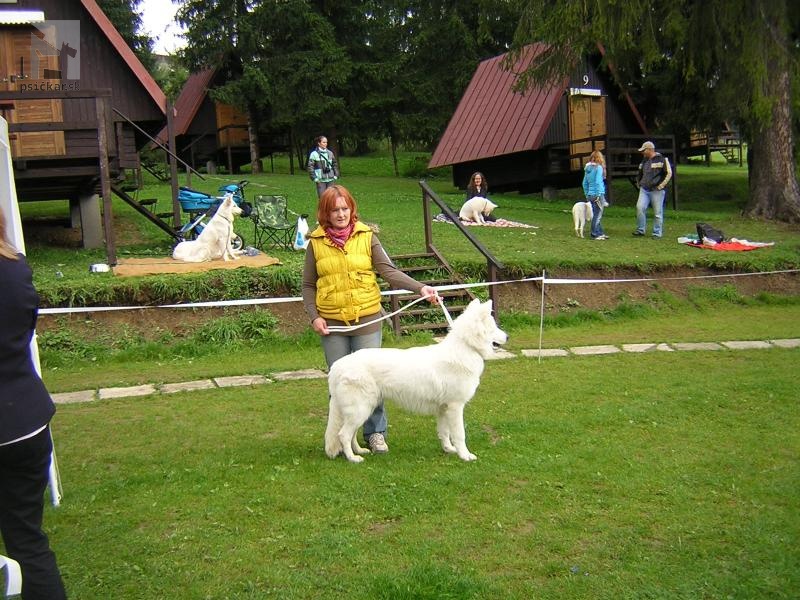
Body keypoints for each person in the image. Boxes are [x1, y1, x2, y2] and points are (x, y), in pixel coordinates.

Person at [302, 184, 438, 454]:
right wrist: (314, 317)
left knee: (374, 382)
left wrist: (420, 288)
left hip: (367, 320)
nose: (341, 214)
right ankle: (341, 440)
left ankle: (375, 433)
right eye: (334, 210)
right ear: (325, 214)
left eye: (345, 208)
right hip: (333, 324)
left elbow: (388, 271)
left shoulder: (367, 237)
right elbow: (308, 285)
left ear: (351, 209)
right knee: (341, 383)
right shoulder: (315, 244)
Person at [0, 210, 68, 600]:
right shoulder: (14, 268)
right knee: (28, 541)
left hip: (18, 419)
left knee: (25, 540)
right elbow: (27, 324)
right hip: (25, 421)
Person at [633, 141, 672, 238]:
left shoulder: (662, 159)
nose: (642, 152)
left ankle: (657, 233)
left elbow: (669, 173)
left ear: (650, 150)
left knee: (657, 213)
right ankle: (640, 230)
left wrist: (661, 186)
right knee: (639, 208)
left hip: (657, 190)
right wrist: (639, 182)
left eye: (644, 150)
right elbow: (640, 172)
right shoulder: (644, 161)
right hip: (644, 189)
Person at [583, 150, 608, 240]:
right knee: (598, 215)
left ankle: (599, 232)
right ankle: (595, 234)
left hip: (590, 195)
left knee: (595, 214)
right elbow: (598, 181)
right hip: (598, 194)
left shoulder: (587, 169)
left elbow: (584, 183)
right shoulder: (599, 168)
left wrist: (587, 194)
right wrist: (598, 194)